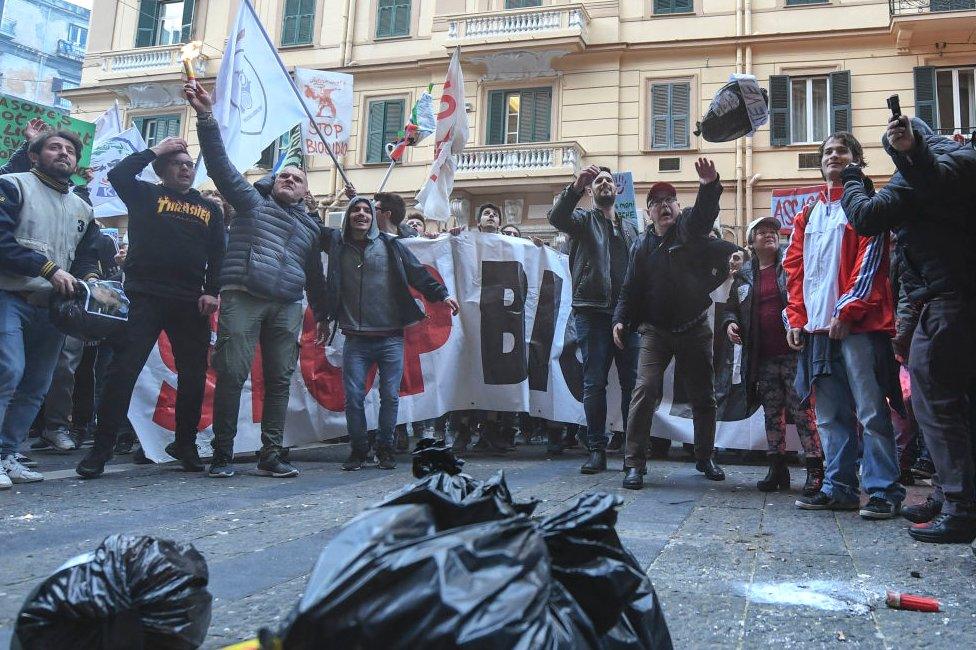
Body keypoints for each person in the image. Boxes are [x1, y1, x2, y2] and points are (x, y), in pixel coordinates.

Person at [842, 116, 975, 542]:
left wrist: (852, 179)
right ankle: (949, 492)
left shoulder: (932, 165)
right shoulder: (952, 158)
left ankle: (959, 506)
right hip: (947, 296)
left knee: (934, 401)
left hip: (945, 300)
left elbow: (865, 216)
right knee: (954, 403)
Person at [186, 82, 328, 479]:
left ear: (305, 192)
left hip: (287, 304)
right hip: (244, 296)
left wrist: (363, 207)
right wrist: (205, 116)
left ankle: (271, 453)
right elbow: (218, 165)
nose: (289, 179)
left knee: (280, 379)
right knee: (232, 374)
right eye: (284, 175)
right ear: (273, 181)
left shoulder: (312, 229)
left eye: (297, 178)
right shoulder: (250, 200)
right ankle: (223, 453)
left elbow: (321, 270)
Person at [75, 136, 224, 479]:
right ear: (162, 169)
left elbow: (219, 253)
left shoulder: (210, 209)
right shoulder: (145, 194)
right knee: (123, 370)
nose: (186, 168)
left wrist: (212, 291)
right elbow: (118, 175)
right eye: (178, 163)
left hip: (189, 300)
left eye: (189, 164)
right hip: (144, 295)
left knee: (193, 375)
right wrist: (158, 149)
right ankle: (102, 449)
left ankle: (185, 443)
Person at [785, 131, 905, 519]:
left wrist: (846, 310)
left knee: (871, 411)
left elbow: (872, 262)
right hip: (818, 330)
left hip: (857, 326)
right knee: (829, 415)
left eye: (842, 151)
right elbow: (794, 269)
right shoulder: (807, 213)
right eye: (828, 151)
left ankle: (884, 489)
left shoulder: (866, 205)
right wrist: (797, 318)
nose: (833, 155)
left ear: (856, 161)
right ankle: (840, 488)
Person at [613, 159, 732, 489]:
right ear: (649, 212)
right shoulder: (639, 245)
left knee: (703, 396)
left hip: (694, 326)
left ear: (678, 208)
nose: (665, 206)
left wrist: (710, 185)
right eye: (657, 202)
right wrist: (621, 320)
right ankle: (634, 463)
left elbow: (705, 213)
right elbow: (629, 288)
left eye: (670, 201)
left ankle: (705, 456)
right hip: (655, 329)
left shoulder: (690, 230)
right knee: (645, 389)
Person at [319, 196, 458, 471]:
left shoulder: (392, 245)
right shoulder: (336, 243)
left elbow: (418, 273)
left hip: (391, 337)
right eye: (355, 210)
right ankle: (358, 451)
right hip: (355, 339)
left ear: (374, 217)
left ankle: (385, 450)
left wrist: (442, 295)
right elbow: (309, 223)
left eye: (366, 210)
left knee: (390, 397)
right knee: (353, 397)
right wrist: (311, 205)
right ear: (347, 216)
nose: (361, 214)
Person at [0, 130, 101, 488]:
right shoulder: (11, 186)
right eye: (54, 147)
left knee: (35, 385)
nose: (64, 153)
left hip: (52, 309)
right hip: (9, 296)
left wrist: (91, 278)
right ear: (33, 155)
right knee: (8, 372)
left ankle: (7, 454)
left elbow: (87, 254)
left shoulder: (83, 207)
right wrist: (48, 269)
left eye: (70, 150)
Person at [723, 216, 824, 495]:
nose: (770, 235)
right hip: (763, 356)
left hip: (794, 353)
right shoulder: (744, 273)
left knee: (803, 411)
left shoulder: (790, 265)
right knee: (771, 413)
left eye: (773, 232)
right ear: (751, 241)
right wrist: (730, 323)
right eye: (763, 232)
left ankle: (816, 469)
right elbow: (732, 306)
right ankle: (777, 469)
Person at [549, 165, 639, 474]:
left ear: (618, 189)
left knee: (632, 385)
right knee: (594, 383)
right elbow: (556, 218)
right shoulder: (583, 220)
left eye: (608, 180)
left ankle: (632, 453)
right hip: (592, 311)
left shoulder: (630, 228)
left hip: (626, 317)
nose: (603, 184)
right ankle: (597, 450)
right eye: (598, 181)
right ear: (591, 191)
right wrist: (575, 187)